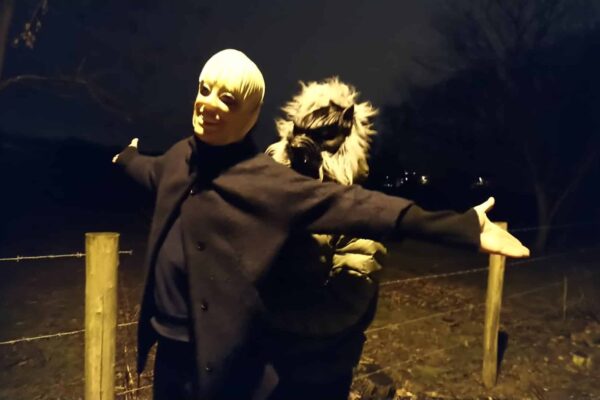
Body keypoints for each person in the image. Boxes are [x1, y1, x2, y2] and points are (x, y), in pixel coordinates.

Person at [113, 49, 529, 400]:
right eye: (204, 89)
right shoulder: (183, 161)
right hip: (187, 358)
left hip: (303, 370)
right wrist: (127, 157)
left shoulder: (273, 187)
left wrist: (463, 228)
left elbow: (365, 212)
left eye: (229, 99)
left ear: (252, 116)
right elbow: (153, 171)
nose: (209, 104)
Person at [264, 77, 386, 399]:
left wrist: (263, 316)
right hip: (262, 368)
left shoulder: (356, 214)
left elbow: (341, 307)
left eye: (324, 134)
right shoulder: (272, 194)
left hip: (318, 372)